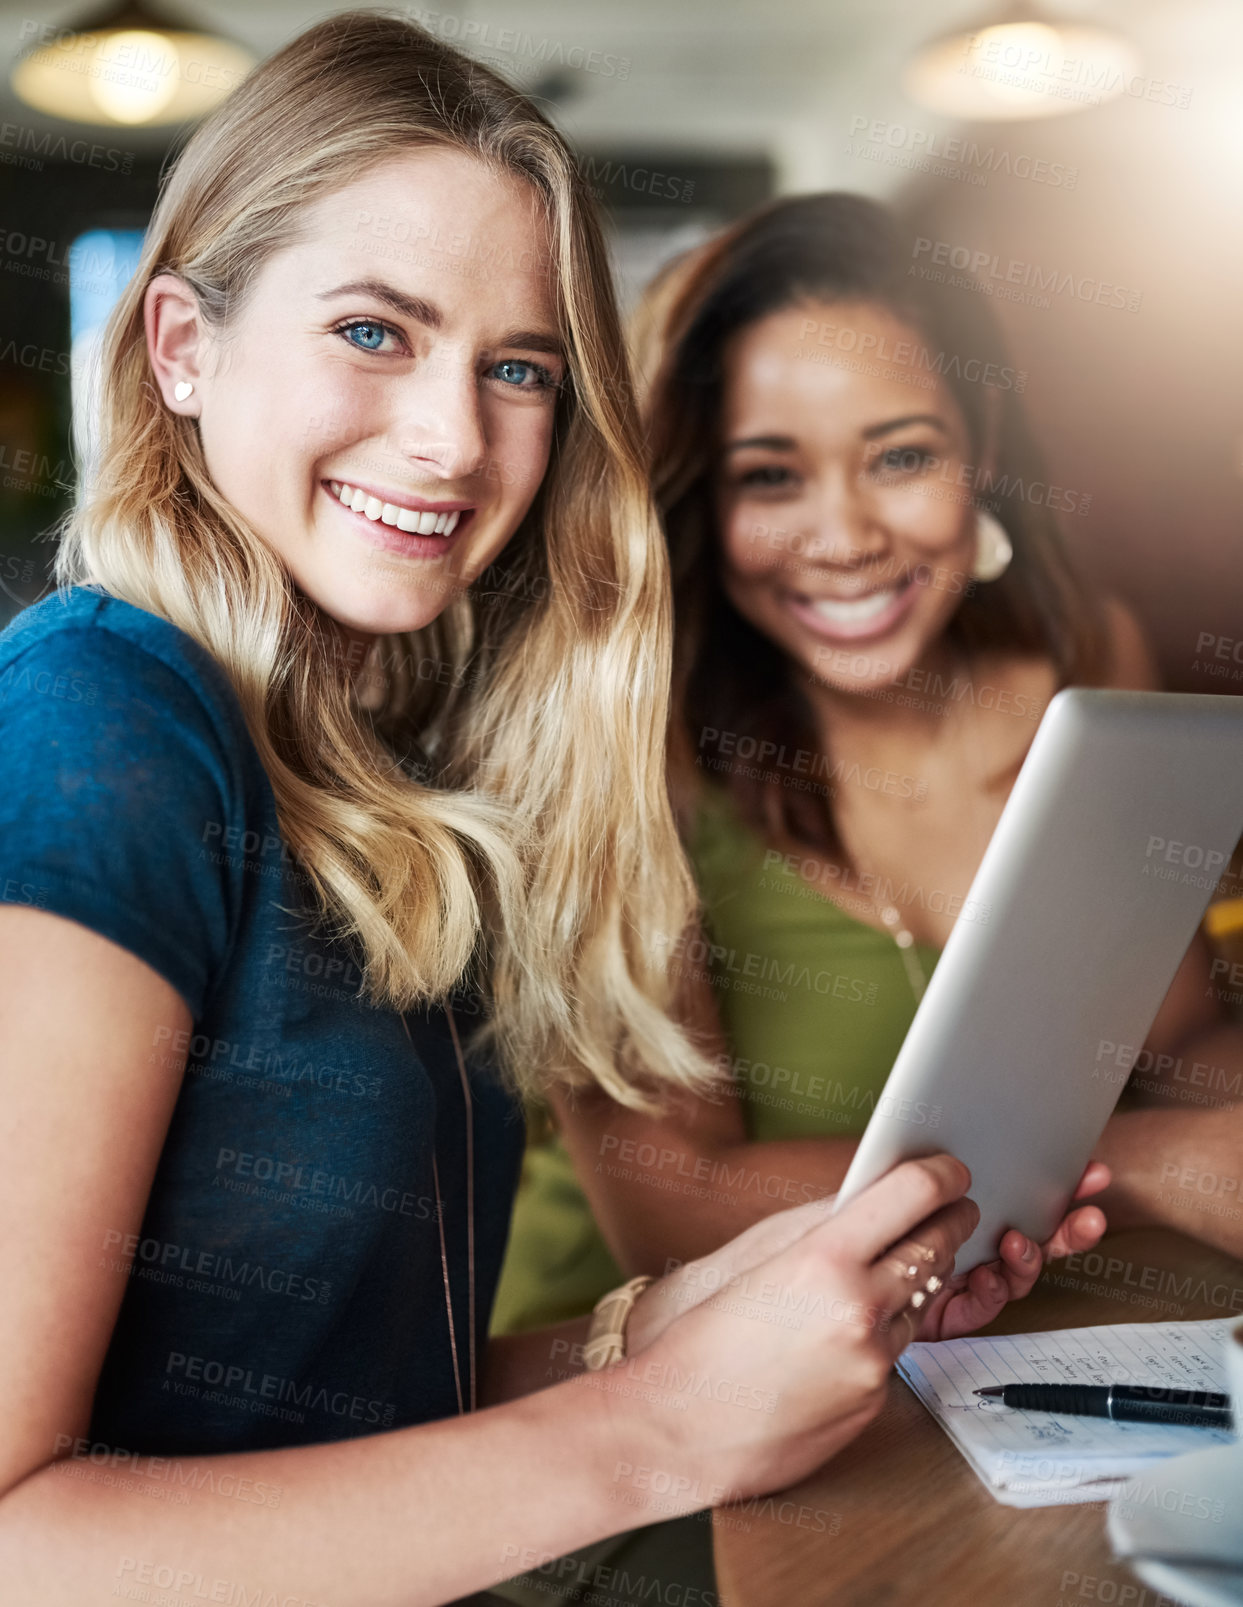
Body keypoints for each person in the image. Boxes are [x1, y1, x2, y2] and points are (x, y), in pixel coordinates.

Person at [0, 19, 1111, 1607]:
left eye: (515, 367)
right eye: (375, 331)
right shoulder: (98, 723)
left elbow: (326, 1401)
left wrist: (690, 1321)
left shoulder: (381, 774)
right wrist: (656, 1428)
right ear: (179, 344)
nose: (456, 438)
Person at [491, 190, 1241, 1343]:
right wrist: (1137, 1163)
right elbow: (669, 1204)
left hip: (973, 1344)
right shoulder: (618, 746)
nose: (842, 537)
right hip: (635, 1387)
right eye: (770, 476)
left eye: (899, 455)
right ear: (700, 496)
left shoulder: (1087, 660)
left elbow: (1179, 1037)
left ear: (981, 447)